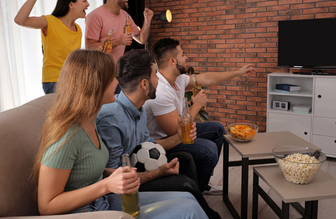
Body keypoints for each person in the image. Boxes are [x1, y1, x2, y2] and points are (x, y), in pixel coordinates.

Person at [32, 49, 207, 218]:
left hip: (103, 201)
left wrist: (116, 175)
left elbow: (88, 170)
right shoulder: (68, 135)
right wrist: (107, 185)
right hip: (88, 212)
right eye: (112, 78)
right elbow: (47, 206)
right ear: (94, 85)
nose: (118, 83)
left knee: (189, 199)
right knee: (189, 209)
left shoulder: (89, 121)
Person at [96, 49, 221, 219]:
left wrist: (178, 137)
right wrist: (158, 173)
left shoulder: (138, 109)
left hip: (137, 168)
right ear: (144, 84)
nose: (159, 81)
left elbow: (151, 144)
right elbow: (115, 175)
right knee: (185, 184)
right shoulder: (111, 118)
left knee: (185, 159)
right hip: (123, 187)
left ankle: (198, 206)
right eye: (156, 76)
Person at [144, 38, 255, 194]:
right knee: (208, 150)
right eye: (183, 54)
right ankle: (197, 193)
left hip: (177, 133)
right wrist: (196, 106)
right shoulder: (161, 90)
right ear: (173, 61)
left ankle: (202, 181)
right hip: (165, 141)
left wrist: (238, 72)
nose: (186, 58)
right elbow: (176, 133)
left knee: (217, 129)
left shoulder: (177, 79)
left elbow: (206, 78)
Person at [14, 0, 89, 94]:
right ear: (71, 5)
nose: (88, 4)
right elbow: (19, 20)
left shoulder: (78, 29)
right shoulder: (49, 22)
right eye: (84, 0)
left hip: (73, 82)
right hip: (55, 82)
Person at [85, 0, 153, 94]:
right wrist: (118, 42)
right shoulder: (95, 16)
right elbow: (89, 47)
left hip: (116, 75)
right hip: (99, 76)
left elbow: (142, 39)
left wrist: (147, 20)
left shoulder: (125, 15)